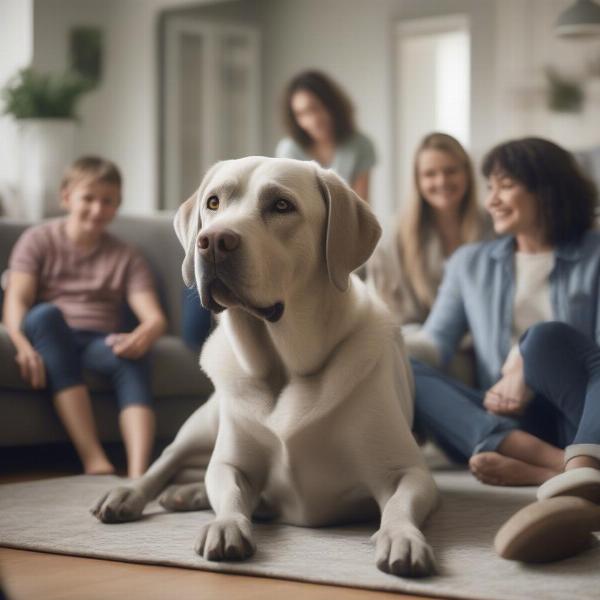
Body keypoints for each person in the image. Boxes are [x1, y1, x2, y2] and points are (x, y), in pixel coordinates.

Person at [411, 137, 600, 489]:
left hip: (583, 419)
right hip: (504, 422)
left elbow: (595, 361)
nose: (491, 201)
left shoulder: (596, 253)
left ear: (546, 191)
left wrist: (523, 359)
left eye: (506, 186)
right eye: (489, 188)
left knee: (544, 337)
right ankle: (563, 468)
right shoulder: (469, 263)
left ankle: (570, 467)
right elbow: (436, 342)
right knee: (401, 367)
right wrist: (381, 345)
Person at [2, 156, 167, 478]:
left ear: (117, 205)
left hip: (97, 340)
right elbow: (17, 299)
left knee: (132, 355)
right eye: (88, 198)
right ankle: (93, 458)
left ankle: (138, 474)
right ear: (66, 198)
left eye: (107, 201)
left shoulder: (126, 256)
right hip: (50, 333)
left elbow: (154, 317)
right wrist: (21, 345)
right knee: (46, 314)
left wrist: (143, 336)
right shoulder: (37, 240)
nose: (97, 208)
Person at [367, 132, 489, 331]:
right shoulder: (395, 236)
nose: (441, 181)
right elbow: (394, 313)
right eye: (430, 174)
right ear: (418, 180)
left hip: (482, 344)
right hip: (421, 340)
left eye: (450, 171)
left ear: (467, 173)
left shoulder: (491, 226)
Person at [275, 70, 376, 202]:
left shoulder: (361, 145)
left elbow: (360, 204)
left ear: (331, 105)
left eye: (315, 108)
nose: (312, 120)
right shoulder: (289, 149)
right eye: (301, 114)